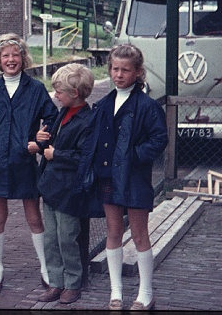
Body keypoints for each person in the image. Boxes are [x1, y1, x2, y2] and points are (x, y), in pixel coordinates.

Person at [75, 44, 168, 310]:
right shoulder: (103, 104)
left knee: (139, 234)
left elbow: (159, 139)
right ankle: (116, 292)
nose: (118, 75)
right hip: (107, 177)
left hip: (135, 178)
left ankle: (145, 293)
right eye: (115, 69)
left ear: (138, 72)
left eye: (125, 70)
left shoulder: (147, 106)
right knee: (113, 232)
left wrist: (132, 157)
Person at [0, 33, 57, 294]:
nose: (11, 59)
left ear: (23, 58)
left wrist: (40, 142)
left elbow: (52, 119)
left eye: (15, 54)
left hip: (24, 162)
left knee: (33, 217)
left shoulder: (35, 89)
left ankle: (45, 269)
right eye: (5, 55)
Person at [35, 63, 95, 305]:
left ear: (75, 93)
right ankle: (55, 281)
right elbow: (52, 143)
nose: (55, 96)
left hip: (69, 189)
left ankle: (73, 282)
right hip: (52, 186)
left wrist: (55, 155)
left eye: (59, 91)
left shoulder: (87, 120)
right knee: (51, 237)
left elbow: (84, 156)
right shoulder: (63, 113)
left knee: (67, 237)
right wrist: (42, 140)